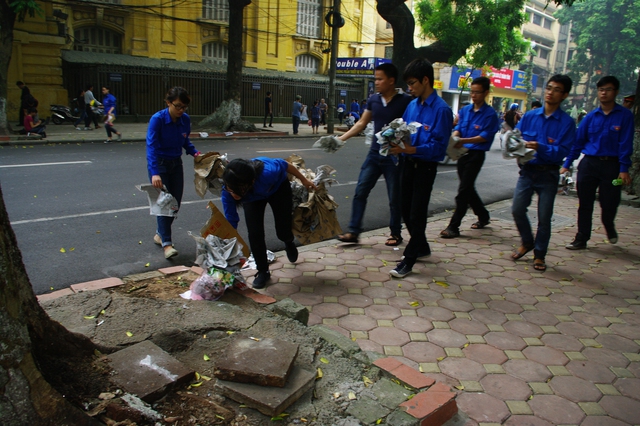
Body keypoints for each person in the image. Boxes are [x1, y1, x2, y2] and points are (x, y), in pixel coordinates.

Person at [334, 63, 412, 247]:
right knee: (360, 191)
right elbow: (362, 122)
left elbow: (411, 127)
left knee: (394, 197)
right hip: (374, 155)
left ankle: (396, 233)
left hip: (394, 156)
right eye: (375, 78)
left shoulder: (405, 101)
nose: (376, 82)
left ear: (391, 80)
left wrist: (405, 146)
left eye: (379, 79)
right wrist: (340, 139)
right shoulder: (374, 100)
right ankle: (354, 232)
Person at [388, 58, 452, 278]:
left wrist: (409, 150)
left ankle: (409, 259)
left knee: (417, 214)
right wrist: (392, 141)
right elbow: (403, 130)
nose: (410, 88)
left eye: (413, 83)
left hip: (425, 167)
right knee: (405, 209)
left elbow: (438, 148)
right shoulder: (412, 105)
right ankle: (421, 245)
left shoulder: (442, 110)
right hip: (407, 164)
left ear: (426, 80)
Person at [510, 75, 576, 272]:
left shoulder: (566, 123)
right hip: (528, 171)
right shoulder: (530, 116)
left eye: (556, 89)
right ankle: (527, 241)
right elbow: (516, 138)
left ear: (564, 95)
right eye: (549, 88)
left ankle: (539, 255)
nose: (550, 92)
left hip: (548, 174)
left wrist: (541, 147)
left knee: (544, 217)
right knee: (517, 209)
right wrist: (515, 150)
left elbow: (562, 152)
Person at [561, 76, 634, 250]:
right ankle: (581, 238)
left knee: (610, 201)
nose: (604, 93)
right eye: (601, 89)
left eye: (608, 89)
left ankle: (609, 224)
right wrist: (567, 164)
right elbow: (578, 143)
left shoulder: (624, 116)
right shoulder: (590, 117)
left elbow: (625, 143)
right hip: (589, 165)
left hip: (613, 168)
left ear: (615, 92)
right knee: (584, 203)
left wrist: (624, 169)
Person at [221, 158, 317, 289]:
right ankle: (263, 272)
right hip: (252, 198)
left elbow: (286, 165)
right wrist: (227, 245)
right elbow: (231, 221)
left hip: (277, 189)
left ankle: (288, 241)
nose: (234, 195)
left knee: (283, 229)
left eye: (237, 190)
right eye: (231, 190)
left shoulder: (269, 172)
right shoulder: (228, 192)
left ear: (251, 181)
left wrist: (304, 180)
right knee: (255, 234)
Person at [440, 76, 500, 239]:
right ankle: (483, 215)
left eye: (477, 92)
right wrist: (455, 136)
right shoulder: (465, 110)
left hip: (476, 154)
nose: (474, 95)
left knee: (463, 191)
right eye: (472, 92)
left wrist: (463, 140)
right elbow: (459, 127)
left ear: (486, 93)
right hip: (462, 153)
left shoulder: (490, 114)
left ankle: (454, 226)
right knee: (468, 188)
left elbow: (484, 136)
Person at [147, 87, 201, 259]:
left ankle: (159, 233)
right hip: (160, 166)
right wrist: (155, 173)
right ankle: (167, 244)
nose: (181, 110)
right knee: (164, 205)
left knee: (175, 204)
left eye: (184, 107)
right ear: (168, 102)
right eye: (177, 106)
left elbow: (185, 141)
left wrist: (197, 154)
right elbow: (151, 147)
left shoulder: (185, 119)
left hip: (176, 164)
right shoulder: (158, 120)